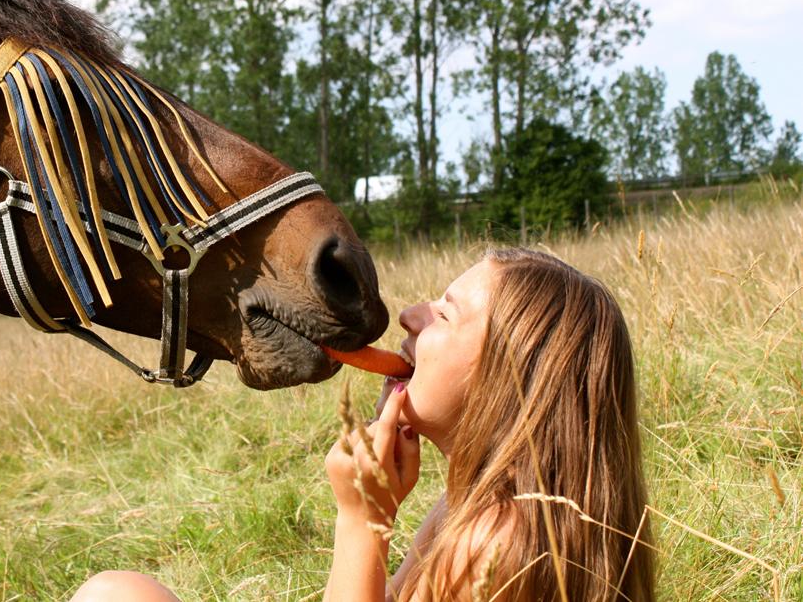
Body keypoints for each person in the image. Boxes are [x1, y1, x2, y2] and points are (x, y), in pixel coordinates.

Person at [71, 248, 655, 601]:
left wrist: (361, 522)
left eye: (446, 313)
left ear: (511, 375)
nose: (409, 314)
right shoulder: (471, 507)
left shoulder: (495, 542)